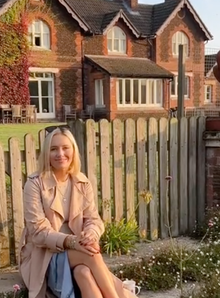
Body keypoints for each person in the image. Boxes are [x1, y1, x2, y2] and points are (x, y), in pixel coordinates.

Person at [19, 125, 137, 298]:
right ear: (46, 153)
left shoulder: (81, 182)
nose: (60, 154)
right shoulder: (35, 184)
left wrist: (90, 235)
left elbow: (93, 220)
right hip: (45, 255)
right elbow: (38, 232)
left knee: (83, 273)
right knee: (93, 256)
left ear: (73, 151)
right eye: (54, 149)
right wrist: (73, 242)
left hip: (79, 251)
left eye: (65, 148)